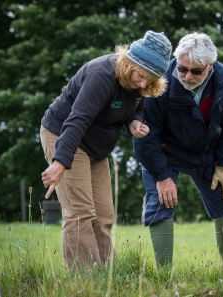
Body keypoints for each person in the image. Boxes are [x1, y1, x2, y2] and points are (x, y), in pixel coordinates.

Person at [40, 31, 172, 269]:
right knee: (80, 212)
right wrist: (60, 161)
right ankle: (85, 281)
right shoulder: (102, 75)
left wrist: (134, 122)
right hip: (65, 135)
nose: (143, 85)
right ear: (129, 63)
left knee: (103, 214)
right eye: (140, 76)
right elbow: (77, 119)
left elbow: (136, 107)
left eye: (149, 81)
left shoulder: (140, 82)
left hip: (96, 148)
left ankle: (108, 275)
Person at [133, 32, 223, 267]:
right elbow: (146, 136)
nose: (187, 76)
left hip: (205, 152)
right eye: (183, 69)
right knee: (160, 201)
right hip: (163, 151)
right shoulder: (159, 82)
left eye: (196, 71)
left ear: (210, 67)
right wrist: (162, 176)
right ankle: (164, 275)